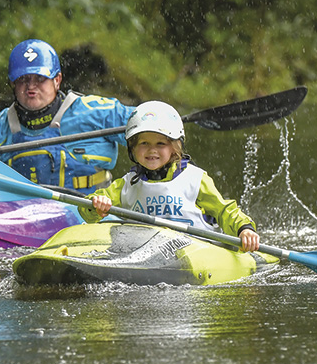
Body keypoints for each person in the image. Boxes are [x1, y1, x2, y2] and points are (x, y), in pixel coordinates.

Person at [0, 39, 135, 193]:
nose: (31, 87)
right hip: (25, 220)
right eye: (23, 80)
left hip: (89, 215)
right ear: (13, 84)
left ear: (57, 80)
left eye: (39, 79)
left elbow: (146, 123)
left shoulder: (94, 111)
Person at [81, 101, 261, 252]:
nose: (152, 150)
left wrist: (244, 229)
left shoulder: (195, 179)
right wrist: (97, 205)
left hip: (196, 251)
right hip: (146, 253)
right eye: (144, 143)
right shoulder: (127, 184)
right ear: (133, 148)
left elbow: (224, 211)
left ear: (174, 148)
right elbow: (88, 210)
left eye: (161, 143)